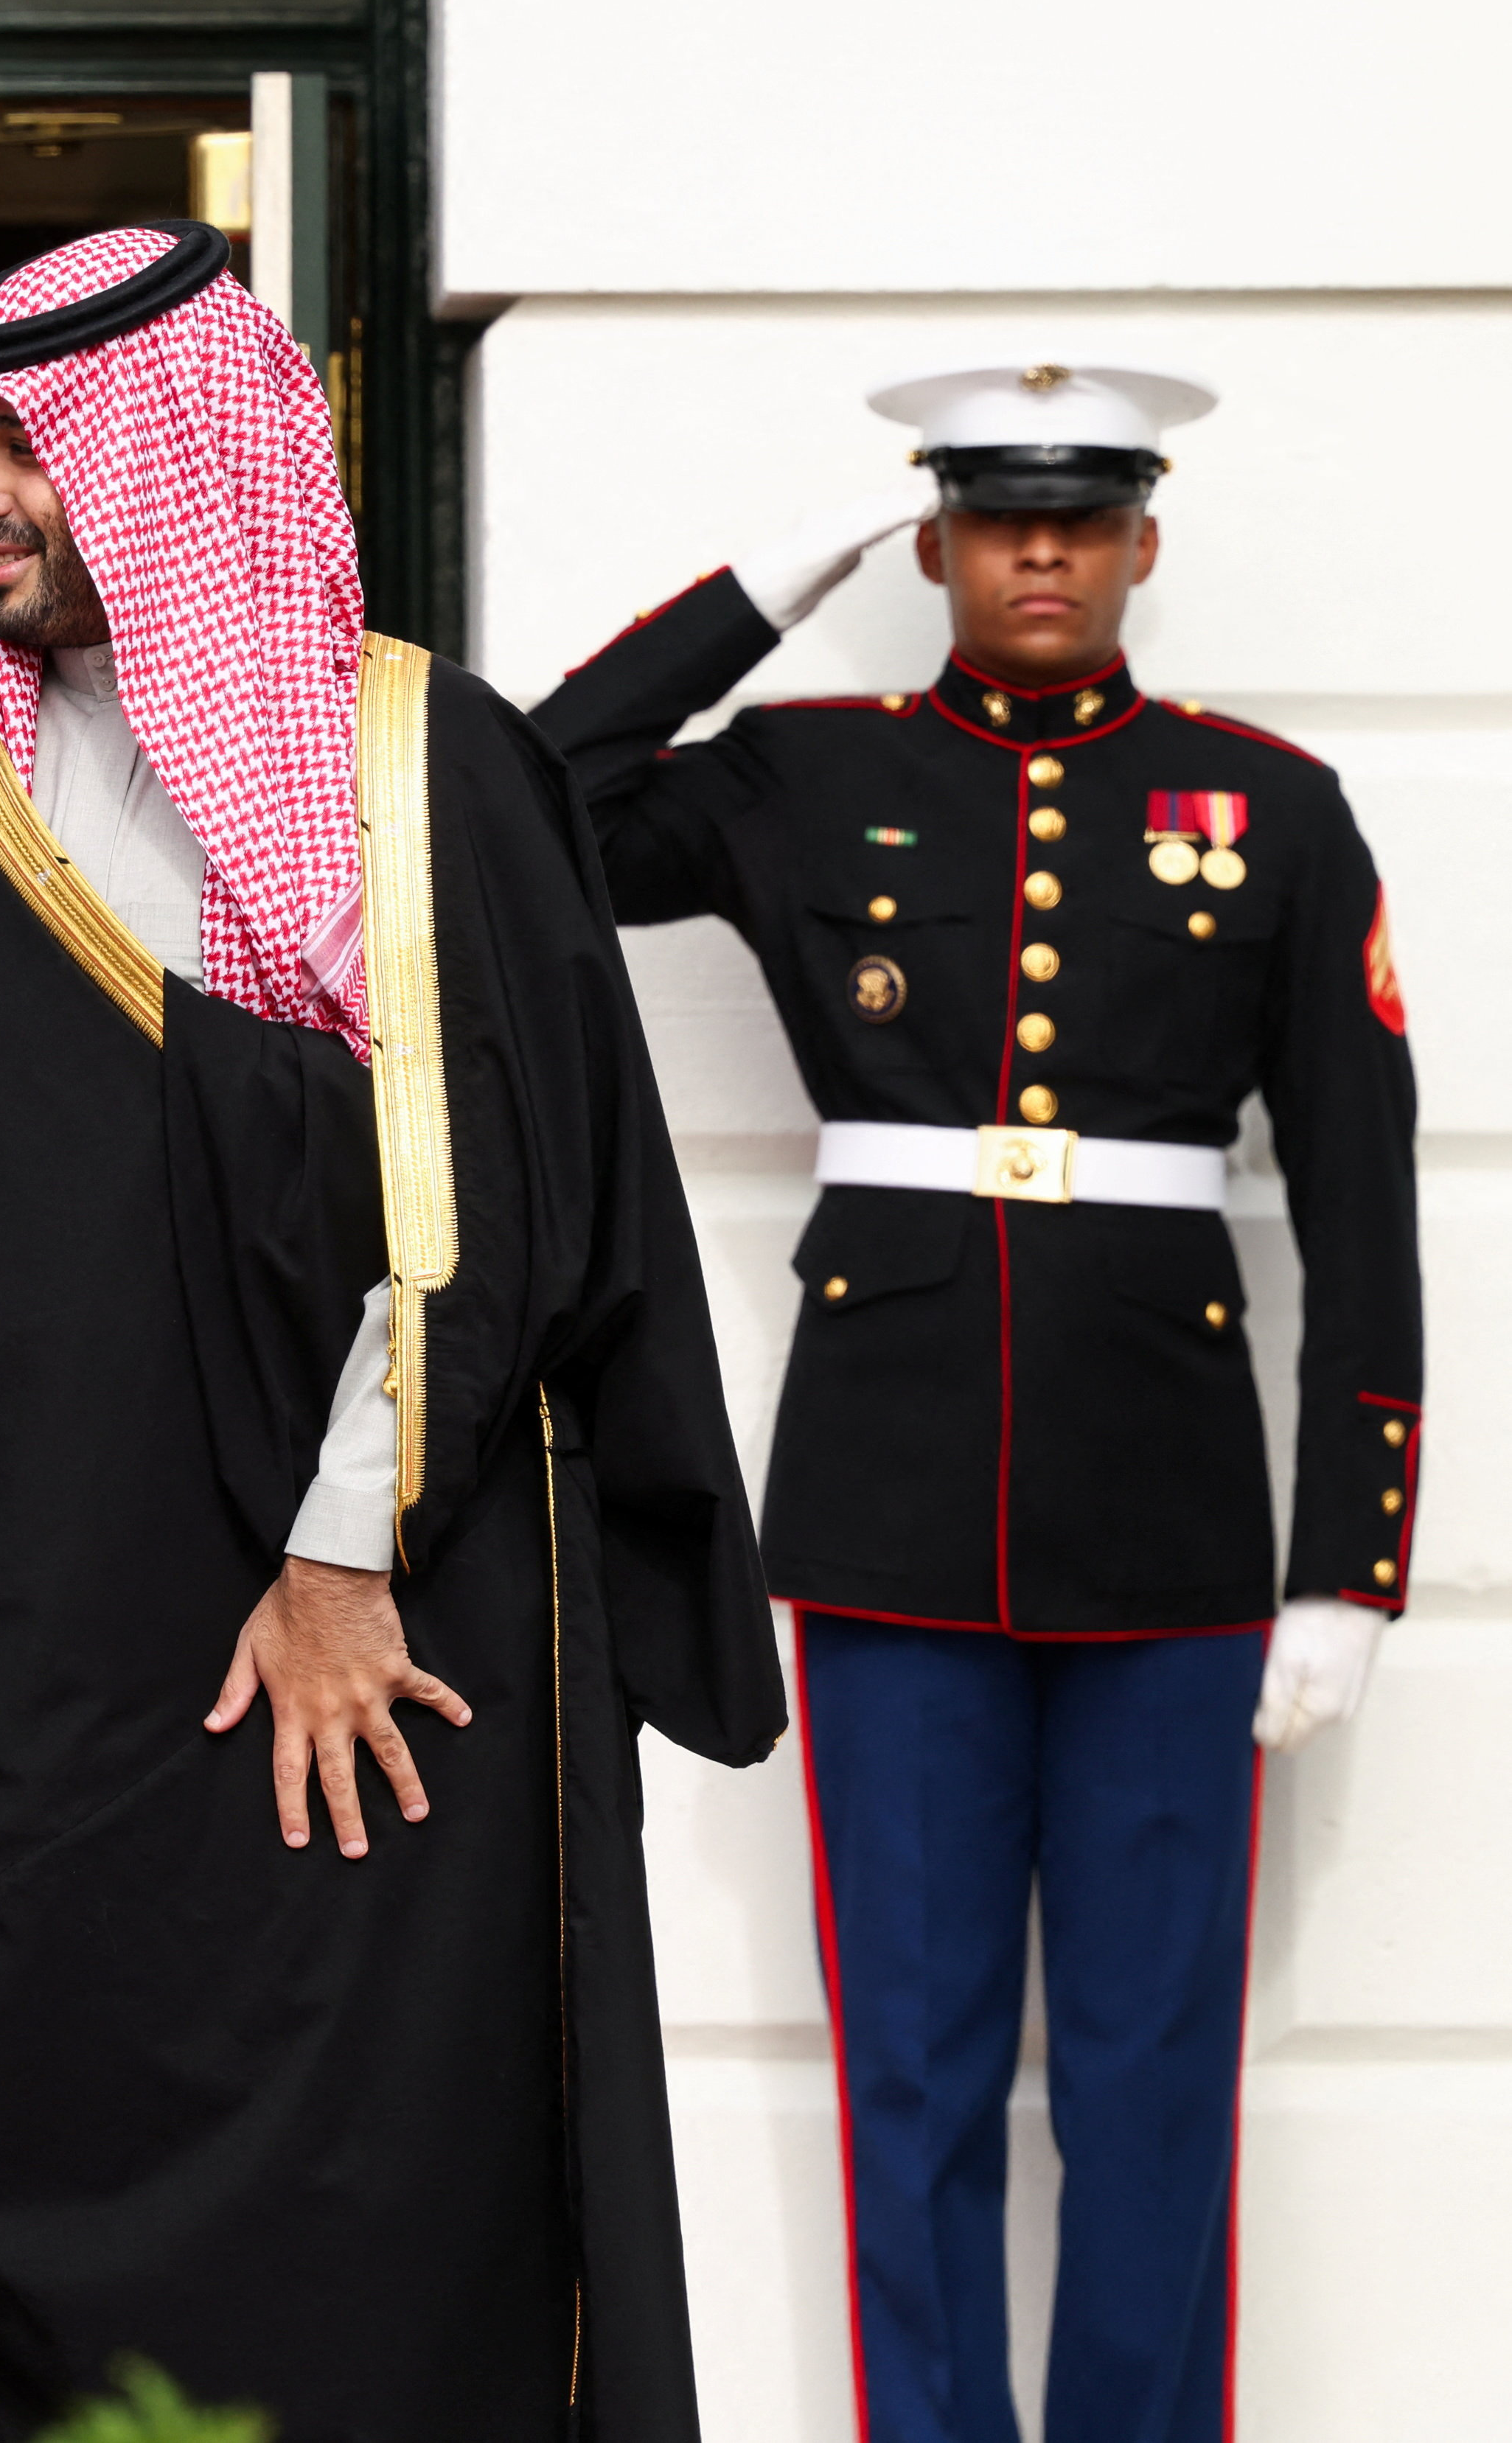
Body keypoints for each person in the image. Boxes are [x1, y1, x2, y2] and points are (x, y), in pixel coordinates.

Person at [0, 223, 787, 2443]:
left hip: (358, 1674)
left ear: (169, 454)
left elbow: (513, 1207)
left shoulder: (428, 769)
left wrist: (342, 1549)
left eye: (22, 450)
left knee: (379, 2232)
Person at [529, 363, 1418, 2443]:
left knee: (1149, 2075)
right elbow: (521, 794)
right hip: (893, 1504)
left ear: (1142, 543)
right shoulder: (799, 778)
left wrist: (1344, 1570)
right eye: (998, 514)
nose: (1042, 549)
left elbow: (1362, 1207)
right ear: (928, 541)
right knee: (910, 2067)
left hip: (1178, 1524)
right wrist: (755, 589)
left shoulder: (1265, 809)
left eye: (1084, 516)